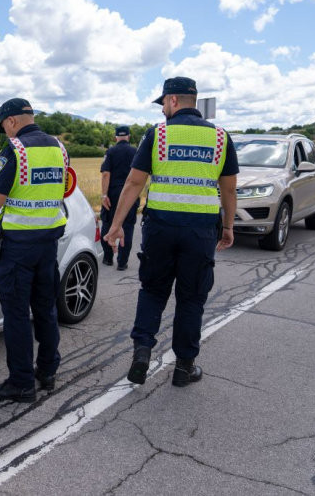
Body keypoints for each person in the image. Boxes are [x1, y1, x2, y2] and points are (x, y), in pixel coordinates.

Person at [103, 76, 238, 388]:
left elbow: (134, 183)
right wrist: (228, 227)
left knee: (152, 291)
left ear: (173, 101)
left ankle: (141, 352)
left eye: (163, 102)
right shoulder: (220, 137)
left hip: (160, 228)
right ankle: (184, 367)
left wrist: (115, 226)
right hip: (200, 231)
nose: (163, 108)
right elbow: (229, 190)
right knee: (191, 299)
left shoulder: (159, 134)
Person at [0, 98, 69, 403]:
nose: (5, 132)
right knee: (45, 309)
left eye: (4, 126)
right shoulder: (59, 148)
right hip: (48, 244)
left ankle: (21, 383)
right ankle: (46, 372)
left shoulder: (16, 149)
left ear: (12, 121)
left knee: (17, 315)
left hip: (18, 247)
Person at [100, 125, 139, 271]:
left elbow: (105, 174)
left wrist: (104, 195)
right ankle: (122, 263)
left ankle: (108, 258)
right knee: (127, 226)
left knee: (108, 223)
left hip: (113, 194)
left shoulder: (110, 151)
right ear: (128, 136)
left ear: (116, 137)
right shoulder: (136, 151)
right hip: (130, 193)